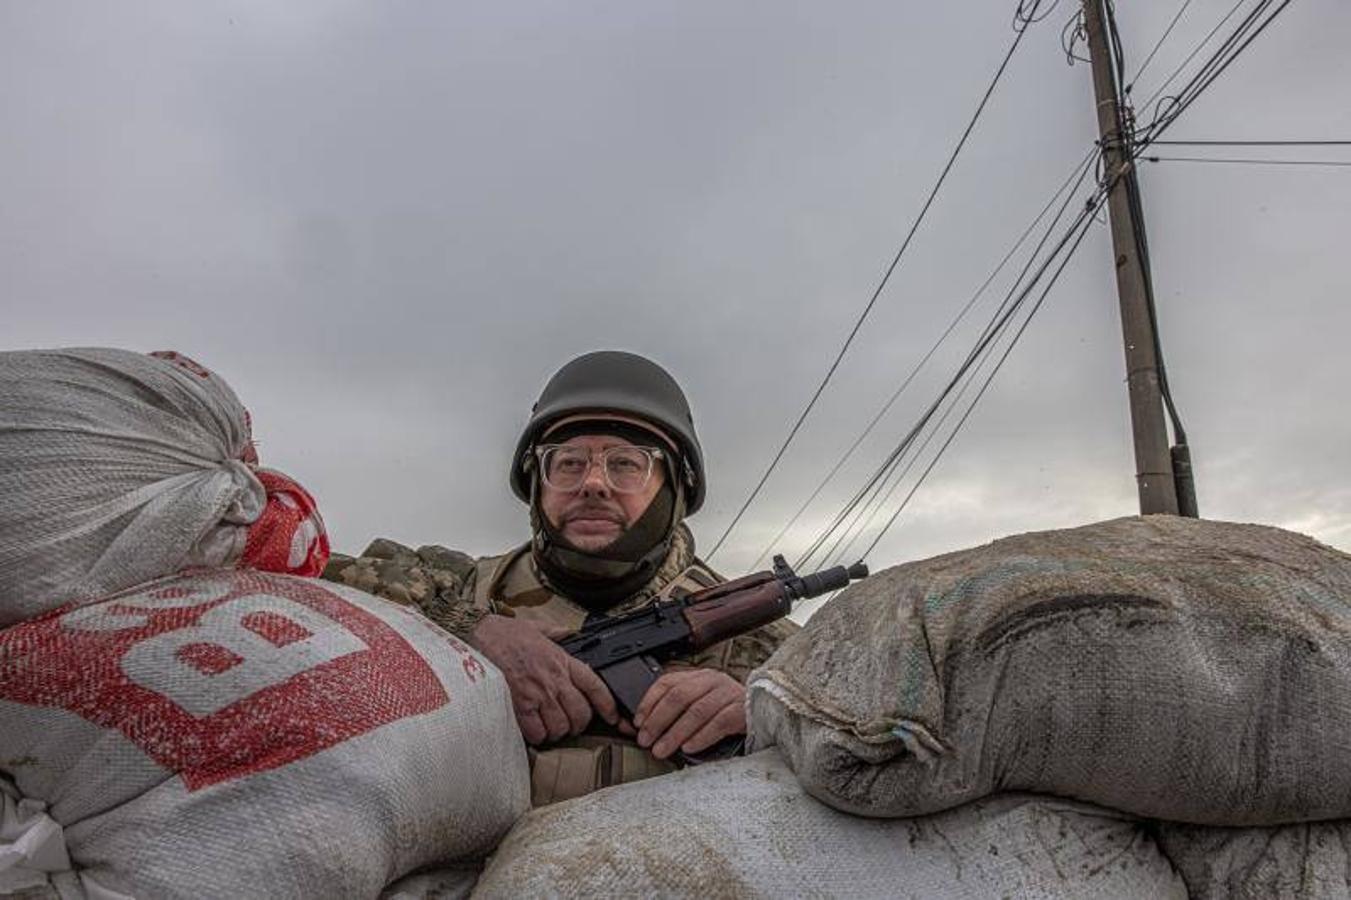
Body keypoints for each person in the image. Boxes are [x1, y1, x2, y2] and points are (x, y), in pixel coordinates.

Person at [324, 350, 796, 804]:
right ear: (536, 483)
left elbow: (859, 734)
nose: (593, 482)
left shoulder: (763, 642)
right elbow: (303, 576)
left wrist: (762, 716)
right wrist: (469, 635)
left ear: (675, 486)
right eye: (568, 462)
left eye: (626, 464)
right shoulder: (462, 587)